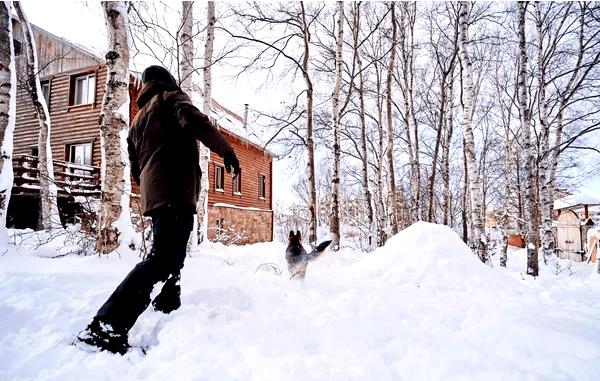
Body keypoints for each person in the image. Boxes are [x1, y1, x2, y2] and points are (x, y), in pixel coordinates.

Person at [76, 65, 240, 354]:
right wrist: (226, 150)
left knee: (171, 251)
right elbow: (197, 122)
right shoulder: (171, 99)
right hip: (176, 190)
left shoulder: (138, 120)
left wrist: (153, 188)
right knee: (162, 258)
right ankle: (104, 326)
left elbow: (137, 169)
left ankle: (167, 300)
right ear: (167, 82)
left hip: (157, 196)